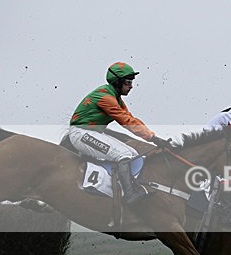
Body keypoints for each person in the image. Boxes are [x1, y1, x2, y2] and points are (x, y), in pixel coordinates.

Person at [69, 61, 172, 204]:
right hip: (81, 134)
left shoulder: (116, 98)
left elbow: (131, 118)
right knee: (123, 155)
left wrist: (153, 136)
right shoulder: (105, 97)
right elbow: (126, 121)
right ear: (117, 82)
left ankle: (129, 187)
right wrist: (152, 138)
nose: (131, 86)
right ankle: (129, 195)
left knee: (134, 155)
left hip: (93, 133)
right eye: (128, 82)